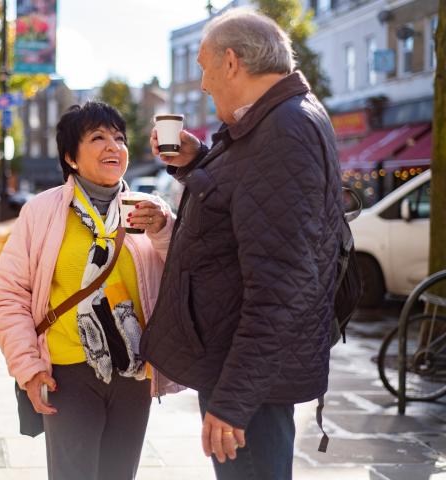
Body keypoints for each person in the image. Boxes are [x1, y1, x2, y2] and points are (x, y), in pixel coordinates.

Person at [139, 8, 344, 480]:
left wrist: (233, 401)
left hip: (249, 376)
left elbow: (282, 281)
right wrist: (199, 161)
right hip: (247, 366)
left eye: (206, 68)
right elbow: (251, 203)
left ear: (231, 62)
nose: (205, 84)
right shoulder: (272, 121)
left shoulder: (284, 130)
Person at [0, 101, 179, 480]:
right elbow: (9, 294)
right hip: (68, 374)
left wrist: (163, 228)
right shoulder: (42, 212)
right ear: (70, 157)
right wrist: (28, 368)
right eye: (98, 137)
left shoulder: (149, 210)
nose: (114, 146)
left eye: (119, 138)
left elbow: (187, 272)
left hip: (134, 374)